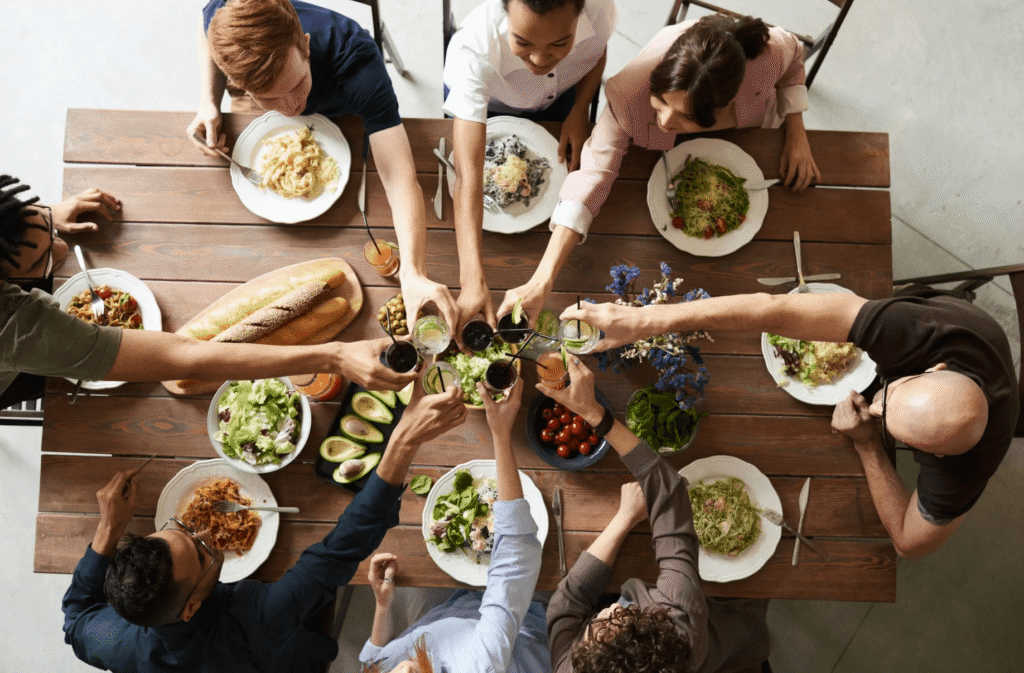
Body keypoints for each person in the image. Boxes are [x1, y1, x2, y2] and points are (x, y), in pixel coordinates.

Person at [561, 285, 1020, 560]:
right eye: (891, 395)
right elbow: (772, 308)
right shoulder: (920, 332)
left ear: (936, 455)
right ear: (934, 368)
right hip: (936, 319)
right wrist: (647, 319)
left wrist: (867, 444)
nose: (875, 403)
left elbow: (908, 542)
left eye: (887, 421)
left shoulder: (966, 470)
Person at [62, 382, 468, 673]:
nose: (206, 534)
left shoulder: (113, 642)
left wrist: (109, 529)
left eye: (182, 529)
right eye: (201, 553)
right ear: (191, 608)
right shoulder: (256, 619)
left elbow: (75, 617)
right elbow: (343, 548)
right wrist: (403, 442)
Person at [497, 14, 820, 328]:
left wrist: (796, 130)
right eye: (661, 101)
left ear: (726, 103)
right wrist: (542, 279)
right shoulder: (628, 93)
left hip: (751, 137)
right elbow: (593, 174)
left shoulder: (768, 55)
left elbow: (795, 57)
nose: (664, 122)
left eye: (685, 117)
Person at [0, 174, 417, 409]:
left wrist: (39, 220)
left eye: (48, 232)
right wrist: (335, 356)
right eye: (43, 262)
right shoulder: (17, 329)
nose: (62, 249)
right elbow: (180, 357)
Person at [187, 0, 457, 333]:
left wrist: (413, 273)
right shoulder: (229, 17)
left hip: (342, 103)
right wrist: (209, 102)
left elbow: (398, 175)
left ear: (305, 46)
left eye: (296, 85)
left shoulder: (357, 62)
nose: (291, 108)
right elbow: (206, 23)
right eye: (270, 98)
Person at [544, 357, 770, 673]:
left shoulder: (572, 669)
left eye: (590, 632)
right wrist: (596, 415)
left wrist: (623, 519)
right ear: (650, 626)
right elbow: (670, 493)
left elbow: (565, 605)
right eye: (617, 619)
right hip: (727, 632)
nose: (603, 613)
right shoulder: (681, 623)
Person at [443, 0, 615, 339]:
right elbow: (468, 176)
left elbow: (597, 52)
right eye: (522, 42)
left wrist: (580, 109)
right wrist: (471, 281)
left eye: (560, 43)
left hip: (560, 95)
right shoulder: (472, 49)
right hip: (489, 106)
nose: (538, 59)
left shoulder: (599, 9)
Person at [358, 379, 550, 673]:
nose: (404, 671)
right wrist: (500, 433)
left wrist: (383, 606)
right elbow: (516, 557)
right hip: (526, 621)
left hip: (449, 614)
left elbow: (372, 661)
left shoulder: (392, 668)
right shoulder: (479, 665)